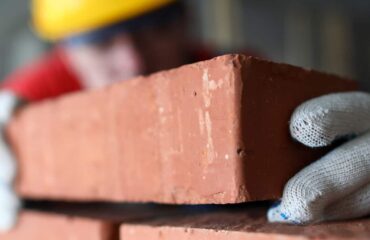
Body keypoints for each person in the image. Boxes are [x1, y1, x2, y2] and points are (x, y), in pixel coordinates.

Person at [0, 0, 369, 232]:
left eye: (154, 29)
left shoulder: (246, 76)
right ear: (66, 51)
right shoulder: (28, 100)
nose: (133, 61)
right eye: (101, 43)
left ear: (185, 19)